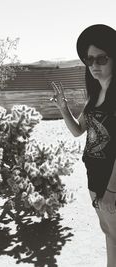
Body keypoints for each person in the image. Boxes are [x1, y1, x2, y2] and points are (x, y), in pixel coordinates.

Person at [50, 24, 116, 267]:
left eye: (102, 58)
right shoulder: (95, 94)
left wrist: (111, 190)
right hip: (94, 177)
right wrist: (62, 107)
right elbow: (78, 131)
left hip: (112, 182)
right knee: (109, 232)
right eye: (90, 60)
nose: (95, 65)